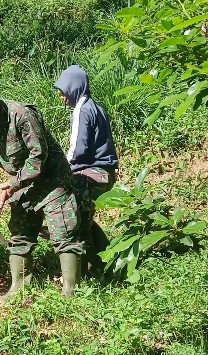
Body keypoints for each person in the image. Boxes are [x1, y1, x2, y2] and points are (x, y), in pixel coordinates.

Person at [0, 82, 85, 298]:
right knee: (20, 234)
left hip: (53, 181)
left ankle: (70, 292)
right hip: (23, 184)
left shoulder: (22, 115)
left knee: (64, 233)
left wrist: (13, 184)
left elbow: (38, 156)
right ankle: (19, 287)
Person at [54, 65, 119, 273]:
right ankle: (102, 266)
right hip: (105, 173)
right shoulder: (96, 107)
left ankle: (88, 270)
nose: (63, 98)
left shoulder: (82, 110)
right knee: (85, 220)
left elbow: (77, 150)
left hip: (92, 174)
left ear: (74, 88)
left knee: (73, 221)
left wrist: (60, 169)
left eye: (64, 92)